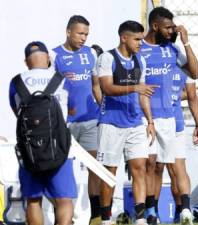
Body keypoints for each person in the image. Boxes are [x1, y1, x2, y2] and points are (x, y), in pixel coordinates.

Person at [139, 6, 198, 225]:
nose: (172, 31)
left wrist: (186, 41)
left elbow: (195, 73)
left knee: (177, 166)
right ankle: (151, 212)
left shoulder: (174, 49)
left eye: (173, 27)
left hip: (173, 119)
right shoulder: (140, 49)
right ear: (155, 26)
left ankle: (185, 211)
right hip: (147, 121)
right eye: (168, 27)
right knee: (153, 166)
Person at [95, 20, 157, 225]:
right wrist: (135, 88)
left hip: (135, 123)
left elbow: (144, 94)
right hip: (111, 123)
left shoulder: (141, 61)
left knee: (140, 166)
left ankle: (140, 219)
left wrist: (149, 120)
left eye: (141, 39)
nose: (141, 43)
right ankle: (105, 219)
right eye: (137, 39)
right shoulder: (107, 57)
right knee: (109, 172)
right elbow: (107, 88)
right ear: (124, 38)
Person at [9, 41, 77, 225]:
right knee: (64, 200)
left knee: (33, 200)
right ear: (48, 58)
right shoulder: (62, 80)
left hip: (29, 151)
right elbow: (72, 110)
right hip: (61, 150)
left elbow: (17, 112)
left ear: (26, 62)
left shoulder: (16, 82)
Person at [50, 15, 102, 224]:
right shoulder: (54, 56)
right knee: (60, 169)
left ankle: (96, 216)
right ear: (68, 32)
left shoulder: (91, 53)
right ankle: (61, 217)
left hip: (91, 120)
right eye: (80, 33)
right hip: (65, 123)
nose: (83, 38)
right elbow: (49, 90)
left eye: (87, 34)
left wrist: (102, 108)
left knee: (95, 167)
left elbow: (96, 84)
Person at [167, 68, 198, 223]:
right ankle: (184, 210)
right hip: (174, 122)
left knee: (169, 169)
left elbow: (190, 94)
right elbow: (190, 94)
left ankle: (179, 210)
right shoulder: (184, 62)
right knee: (177, 169)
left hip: (164, 121)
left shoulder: (152, 55)